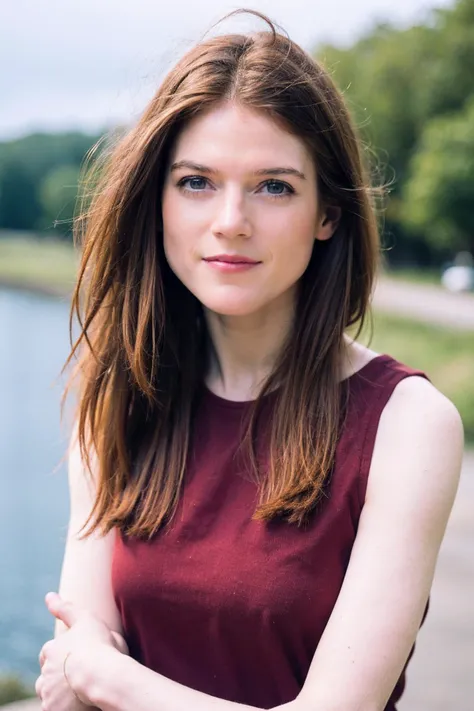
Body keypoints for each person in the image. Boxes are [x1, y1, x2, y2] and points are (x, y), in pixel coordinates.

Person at [35, 10, 463, 711]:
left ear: (328, 213)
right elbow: (73, 674)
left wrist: (108, 677)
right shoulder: (115, 396)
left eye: (274, 186)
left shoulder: (408, 425)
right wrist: (86, 674)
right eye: (196, 181)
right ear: (159, 201)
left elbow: (88, 672)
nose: (230, 218)